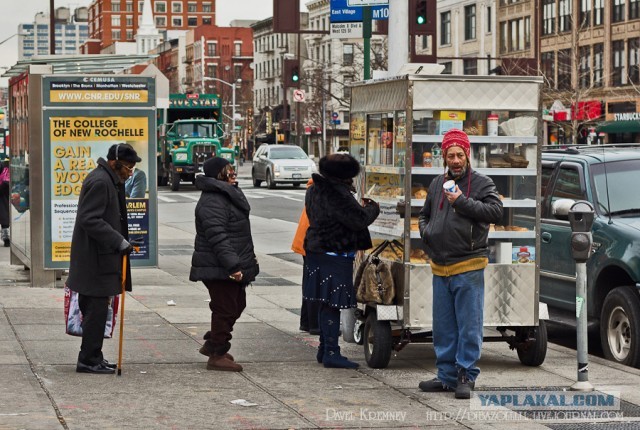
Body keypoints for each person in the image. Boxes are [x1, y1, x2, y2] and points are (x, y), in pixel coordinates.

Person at [417, 129, 503, 399]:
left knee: (469, 324)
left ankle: (466, 374)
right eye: (450, 155)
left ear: (468, 155)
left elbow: (496, 212)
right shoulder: (436, 184)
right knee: (443, 326)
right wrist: (426, 231)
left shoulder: (481, 183)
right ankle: (445, 376)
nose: (455, 160)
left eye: (460, 154)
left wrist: (462, 202)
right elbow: (424, 214)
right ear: (444, 157)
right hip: (440, 266)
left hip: (468, 264)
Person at [67, 143, 141, 374]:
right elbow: (89, 219)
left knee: (97, 310)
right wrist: (118, 241)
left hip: (100, 257)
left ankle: (93, 356)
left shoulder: (109, 180)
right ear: (114, 163)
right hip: (95, 260)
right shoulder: (101, 181)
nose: (130, 172)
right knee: (96, 310)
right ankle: (88, 360)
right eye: (128, 167)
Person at [304, 153, 379, 368]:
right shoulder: (338, 194)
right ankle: (331, 352)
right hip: (334, 254)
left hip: (318, 251)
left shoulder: (314, 189)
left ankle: (323, 349)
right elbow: (359, 219)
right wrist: (373, 207)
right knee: (332, 304)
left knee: (325, 302)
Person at [190, 157, 259, 372]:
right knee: (225, 308)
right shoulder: (213, 200)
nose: (232, 173)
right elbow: (218, 237)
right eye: (228, 170)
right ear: (218, 174)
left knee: (237, 305)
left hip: (227, 263)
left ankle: (214, 344)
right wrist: (233, 266)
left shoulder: (225, 194)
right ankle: (217, 354)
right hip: (218, 266)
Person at [291, 178, 319, 335]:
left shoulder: (314, 188)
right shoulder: (321, 190)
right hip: (313, 242)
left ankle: (307, 322)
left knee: (309, 281)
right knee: (315, 283)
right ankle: (315, 324)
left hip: (307, 241)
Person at [0, 157, 10, 247]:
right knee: (4, 216)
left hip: (2, 196)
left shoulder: (5, 168)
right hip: (3, 196)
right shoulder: (5, 168)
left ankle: (6, 236)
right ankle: (6, 236)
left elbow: (6, 183)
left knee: (4, 216)